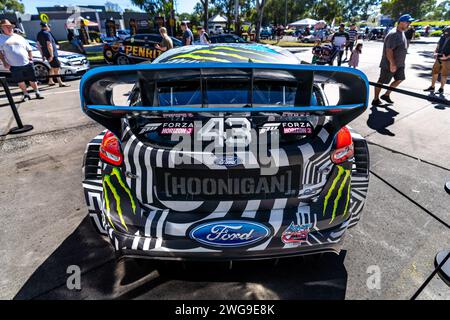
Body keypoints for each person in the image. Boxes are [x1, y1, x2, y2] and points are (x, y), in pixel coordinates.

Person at [372, 14, 414, 106]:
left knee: (400, 79)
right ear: (401, 22)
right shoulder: (394, 34)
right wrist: (392, 64)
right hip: (389, 64)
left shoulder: (401, 32)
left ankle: (386, 95)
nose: (409, 24)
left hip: (400, 64)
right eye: (408, 22)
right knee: (381, 81)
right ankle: (375, 99)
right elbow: (389, 50)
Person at [0, 19, 43, 101]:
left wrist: (31, 58)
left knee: (32, 79)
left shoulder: (19, 37)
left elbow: (29, 49)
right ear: (2, 28)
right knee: (20, 81)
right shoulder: (1, 38)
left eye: (10, 26)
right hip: (13, 65)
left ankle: (37, 92)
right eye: (7, 27)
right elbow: (0, 53)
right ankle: (26, 94)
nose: (10, 28)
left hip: (27, 63)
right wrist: (4, 62)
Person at [36, 22, 69, 87]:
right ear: (45, 26)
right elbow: (49, 44)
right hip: (52, 54)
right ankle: (60, 83)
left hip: (46, 54)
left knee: (52, 67)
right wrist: (52, 55)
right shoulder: (47, 34)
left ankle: (50, 81)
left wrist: (42, 55)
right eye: (48, 26)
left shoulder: (39, 34)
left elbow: (39, 46)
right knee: (57, 68)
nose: (49, 28)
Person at [424, 26, 450, 94]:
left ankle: (441, 89)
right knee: (435, 72)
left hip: (447, 60)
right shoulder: (442, 36)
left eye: (446, 33)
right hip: (439, 57)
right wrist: (435, 52)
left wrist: (446, 57)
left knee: (444, 75)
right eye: (444, 32)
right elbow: (438, 45)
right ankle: (432, 87)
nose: (445, 34)